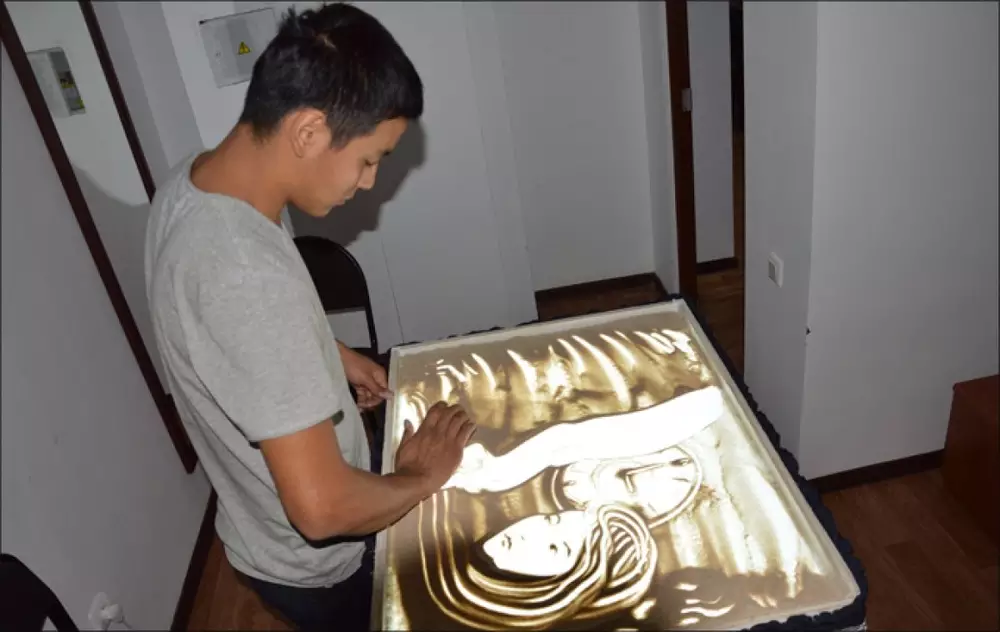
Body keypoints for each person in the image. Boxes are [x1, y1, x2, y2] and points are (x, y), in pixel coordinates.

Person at [144, 4, 474, 630]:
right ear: (308, 132)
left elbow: (228, 333)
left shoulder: (198, 182)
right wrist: (418, 476)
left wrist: (331, 356)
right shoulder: (243, 273)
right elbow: (322, 510)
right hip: (319, 567)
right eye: (371, 158)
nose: (370, 182)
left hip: (253, 527)